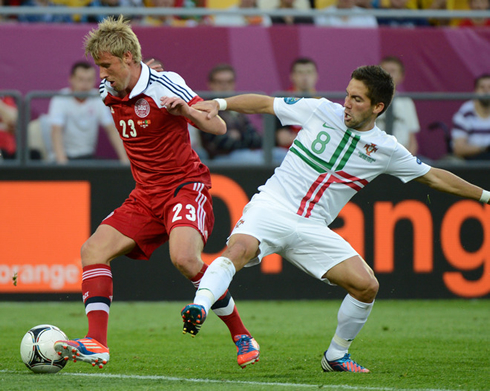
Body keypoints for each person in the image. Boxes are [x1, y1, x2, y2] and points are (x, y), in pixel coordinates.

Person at [165, 65, 490, 373]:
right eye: (347, 94)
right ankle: (200, 307)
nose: (346, 104)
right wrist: (219, 103)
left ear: (378, 107)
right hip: (273, 208)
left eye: (357, 99)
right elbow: (265, 103)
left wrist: (486, 196)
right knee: (238, 250)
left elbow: (434, 177)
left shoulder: (386, 149)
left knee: (366, 286)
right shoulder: (321, 110)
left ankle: (336, 355)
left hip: (312, 228)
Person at [54, 15, 260, 370]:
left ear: (128, 59)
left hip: (184, 186)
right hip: (146, 195)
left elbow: (219, 124)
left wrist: (187, 112)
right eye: (98, 66)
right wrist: (134, 75)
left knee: (184, 260)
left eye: (106, 66)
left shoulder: (168, 86)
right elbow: (128, 88)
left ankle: (241, 334)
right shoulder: (108, 91)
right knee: (93, 249)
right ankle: (97, 343)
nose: (101, 74)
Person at [48, 61, 128, 164]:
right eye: (81, 79)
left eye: (89, 80)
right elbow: (56, 132)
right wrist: (63, 164)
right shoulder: (61, 98)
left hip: (88, 158)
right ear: (71, 79)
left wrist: (125, 161)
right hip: (65, 158)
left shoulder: (98, 98)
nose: (85, 84)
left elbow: (112, 130)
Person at [199, 64, 263, 163]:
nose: (224, 87)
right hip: (220, 159)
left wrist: (239, 136)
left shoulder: (237, 108)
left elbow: (257, 139)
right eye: (219, 82)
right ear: (210, 84)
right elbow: (223, 144)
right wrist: (244, 137)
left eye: (229, 82)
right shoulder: (205, 110)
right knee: (259, 160)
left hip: (244, 154)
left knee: (279, 155)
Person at [376, 56, 420, 155]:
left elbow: (412, 140)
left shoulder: (406, 102)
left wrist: (407, 162)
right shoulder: (368, 100)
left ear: (401, 76)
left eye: (392, 71)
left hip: (401, 157)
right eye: (384, 70)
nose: (388, 74)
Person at [276, 58, 319, 152]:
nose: (305, 77)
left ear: (316, 76)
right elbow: (283, 139)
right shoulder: (282, 102)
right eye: (300, 72)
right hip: (287, 154)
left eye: (309, 72)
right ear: (292, 76)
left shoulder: (322, 103)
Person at [451, 74, 490, 160]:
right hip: (472, 163)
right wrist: (485, 148)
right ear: (475, 91)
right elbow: (458, 149)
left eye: (489, 87)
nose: (486, 91)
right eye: (482, 87)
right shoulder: (465, 113)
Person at [0, 95, 18, 160]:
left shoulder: (4, 95)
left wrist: (1, 106)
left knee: (34, 154)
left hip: (9, 150)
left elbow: (13, 119)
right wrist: (5, 126)